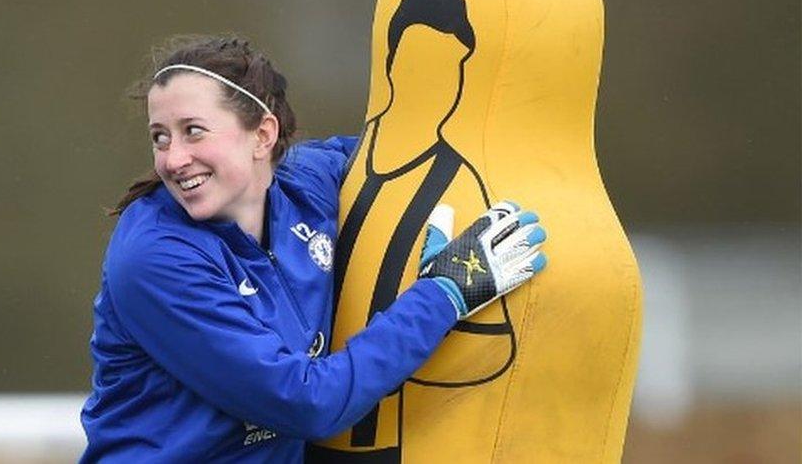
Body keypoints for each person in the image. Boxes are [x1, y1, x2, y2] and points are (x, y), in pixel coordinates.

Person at [79, 36, 546, 463]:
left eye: (193, 131)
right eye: (160, 136)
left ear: (263, 134)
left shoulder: (309, 184)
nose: (173, 159)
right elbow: (306, 404)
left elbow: (406, 154)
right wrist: (444, 294)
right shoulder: (156, 259)